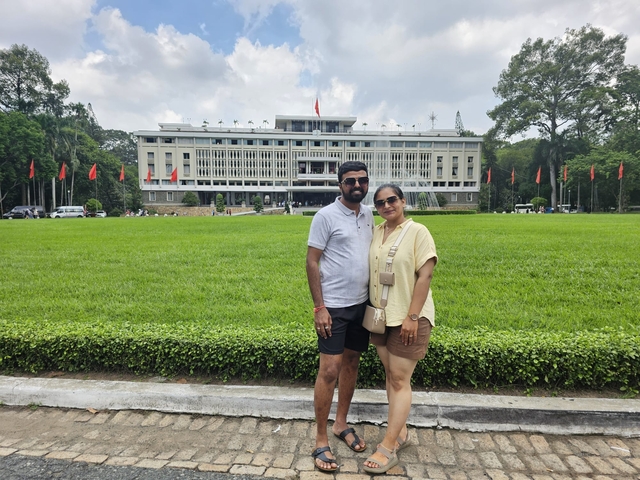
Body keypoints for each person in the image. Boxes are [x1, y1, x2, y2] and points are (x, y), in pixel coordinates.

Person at [363, 184, 437, 474]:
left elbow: (425, 274)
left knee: (399, 379)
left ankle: (388, 446)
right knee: (391, 375)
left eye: (391, 199)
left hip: (409, 316)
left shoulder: (418, 231)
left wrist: (413, 316)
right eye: (380, 202)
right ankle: (401, 432)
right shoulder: (377, 232)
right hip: (381, 316)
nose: (386, 205)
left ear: (403, 201)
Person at [306, 161, 374, 473]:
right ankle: (321, 438)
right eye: (350, 181)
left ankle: (341, 423)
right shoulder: (325, 216)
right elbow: (311, 262)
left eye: (362, 180)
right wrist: (320, 308)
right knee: (329, 370)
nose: (357, 185)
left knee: (351, 363)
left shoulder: (369, 213)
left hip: (362, 305)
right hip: (333, 307)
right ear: (340, 185)